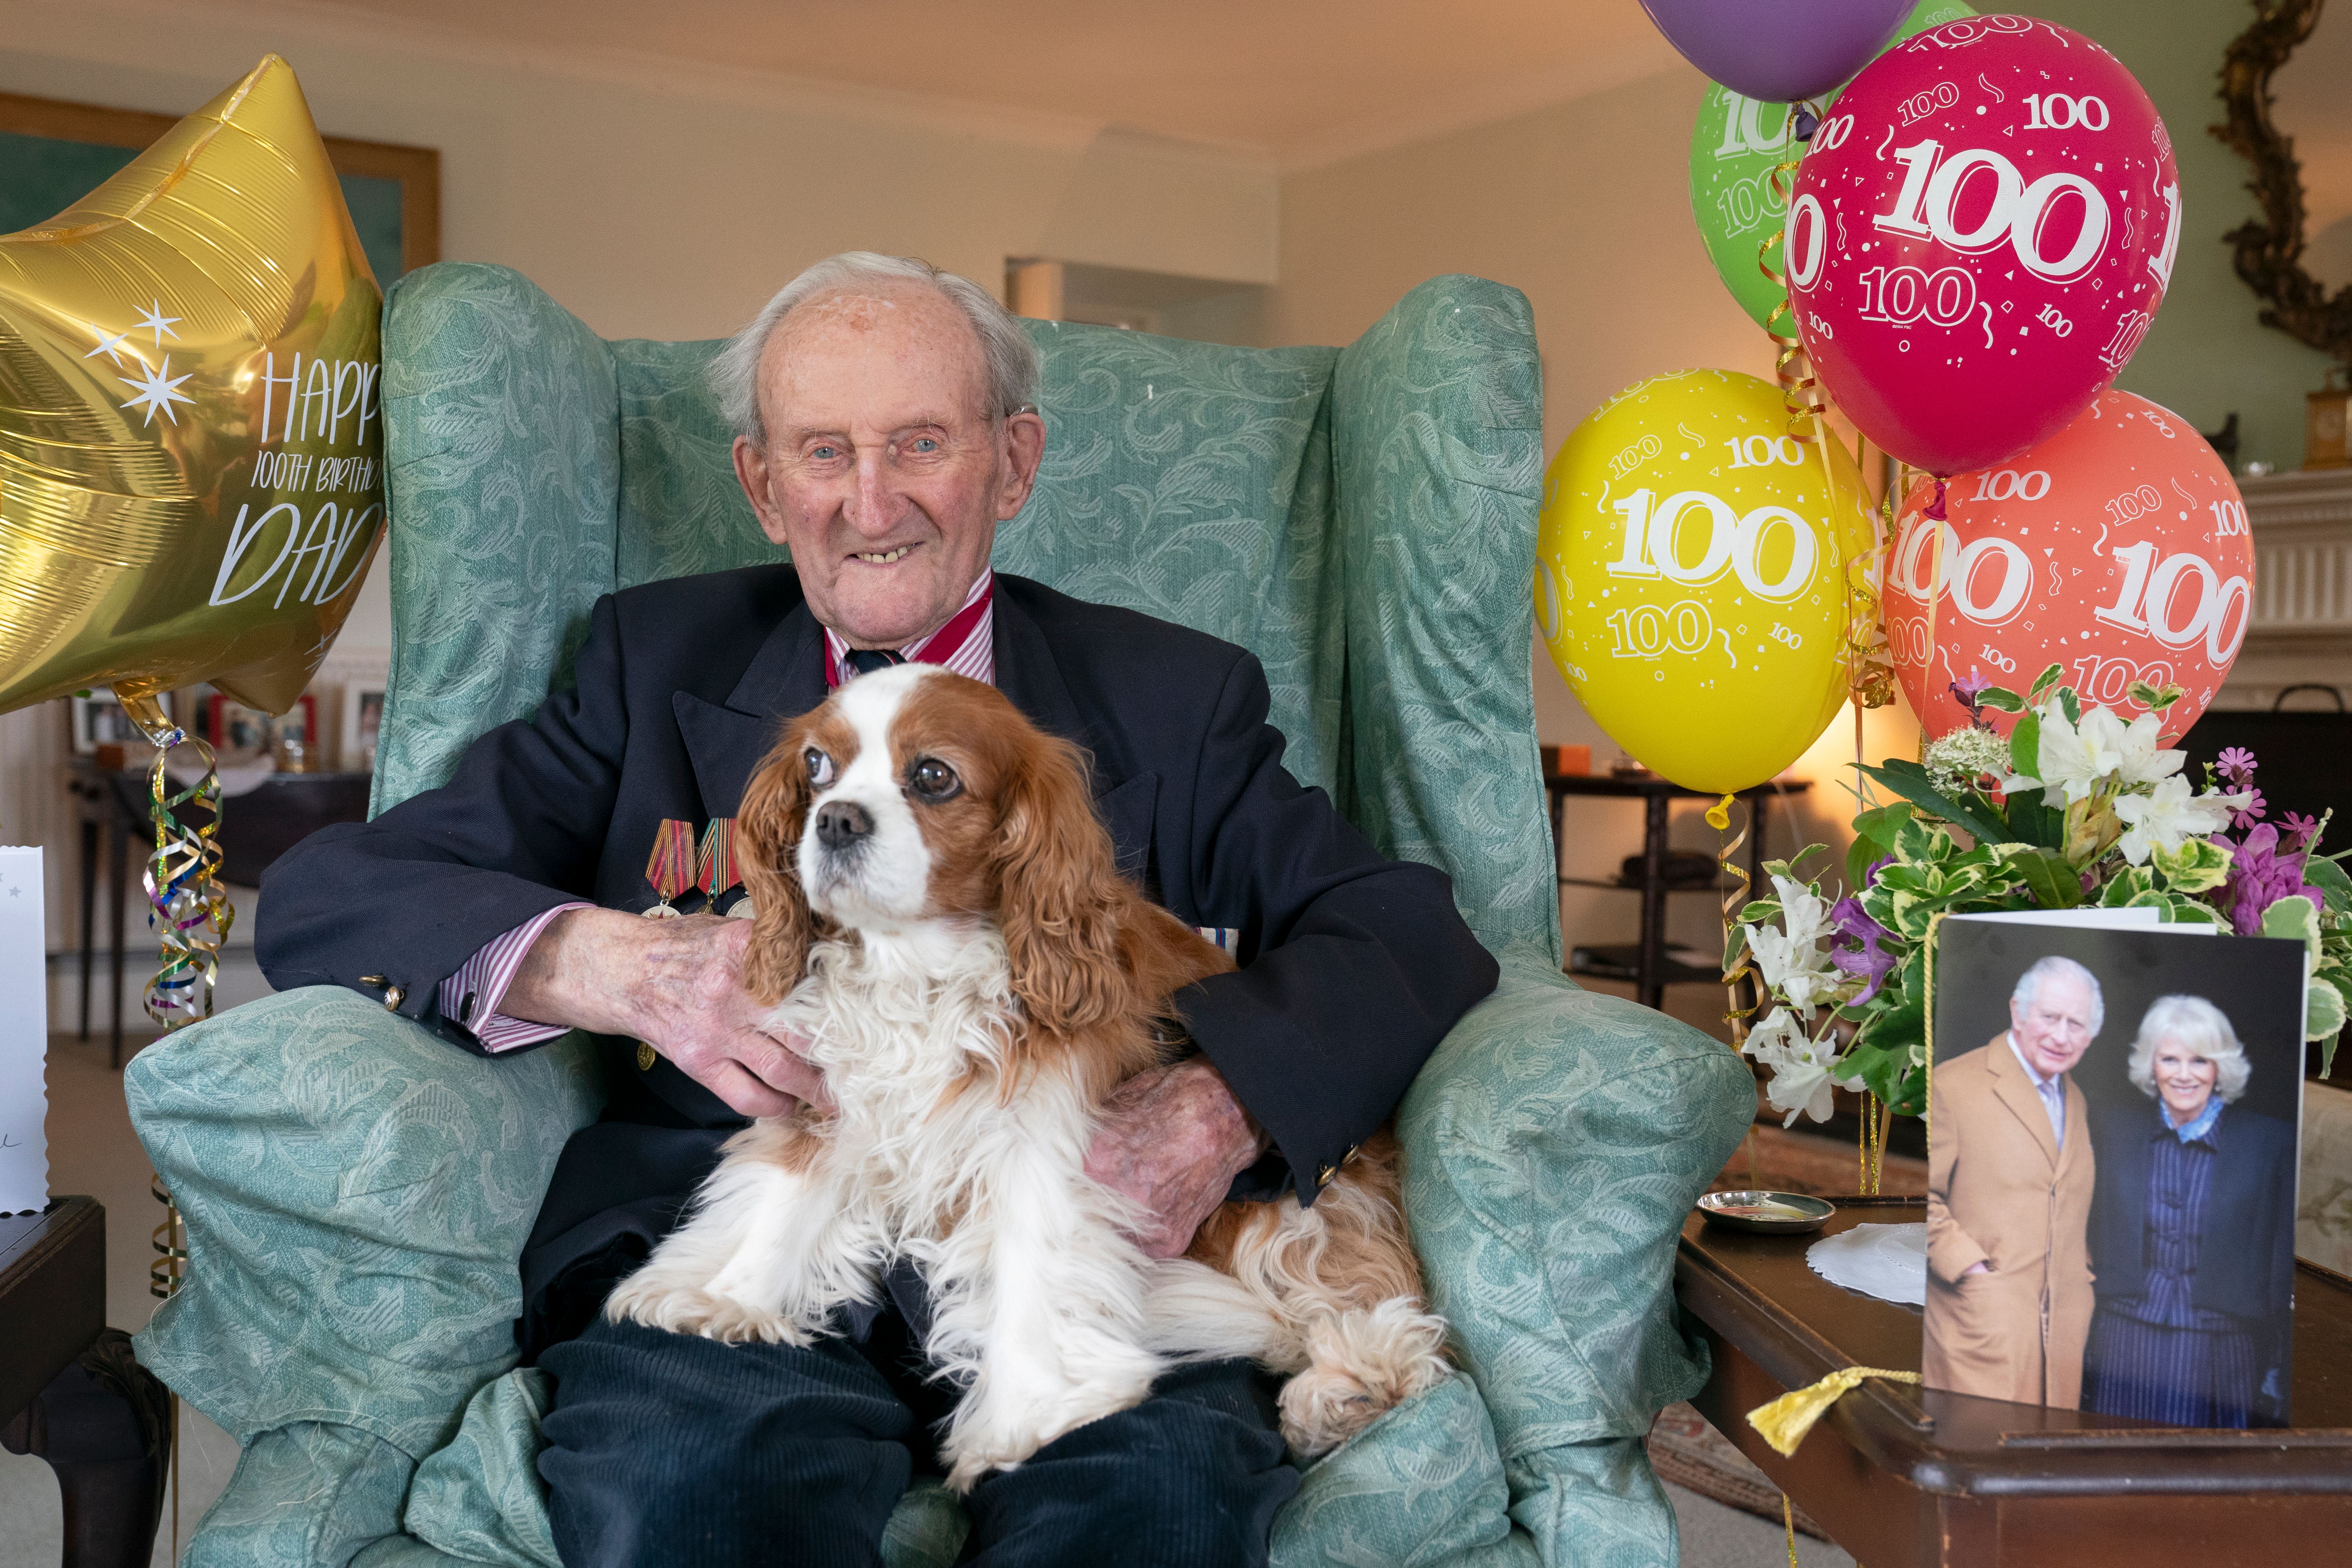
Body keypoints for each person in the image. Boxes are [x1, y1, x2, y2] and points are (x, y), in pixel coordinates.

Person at [254, 252, 1499, 1568]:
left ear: (1012, 464)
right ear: (762, 481)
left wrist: (1214, 1105)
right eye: (822, 451)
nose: (869, 501)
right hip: (745, 1245)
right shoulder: (647, 659)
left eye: (920, 443)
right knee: (682, 1506)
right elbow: (340, 892)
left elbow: (1406, 931)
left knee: (1156, 1522)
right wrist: (610, 962)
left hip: (1094, 1257)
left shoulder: (1174, 695)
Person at [2083, 995, 2297, 1427]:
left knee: (2203, 1475)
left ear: (2220, 1068)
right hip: (2122, 1335)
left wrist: (2279, 1362)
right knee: (2112, 1466)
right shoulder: (2111, 1128)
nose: (2183, 1075)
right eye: (2169, 1059)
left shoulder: (2269, 1142)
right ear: (2151, 1065)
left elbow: (2279, 1259)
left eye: (2199, 1060)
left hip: (2221, 1346)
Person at [1924, 954, 2102, 1408]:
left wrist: (2080, 1275)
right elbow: (1922, 1195)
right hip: (1981, 1317)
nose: (2061, 1036)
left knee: (2040, 1461)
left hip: (2061, 1328)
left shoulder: (2074, 1097)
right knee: (1976, 1452)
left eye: (2077, 1024)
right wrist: (1971, 1269)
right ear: (2017, 1012)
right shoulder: (1953, 1083)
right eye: (2049, 1017)